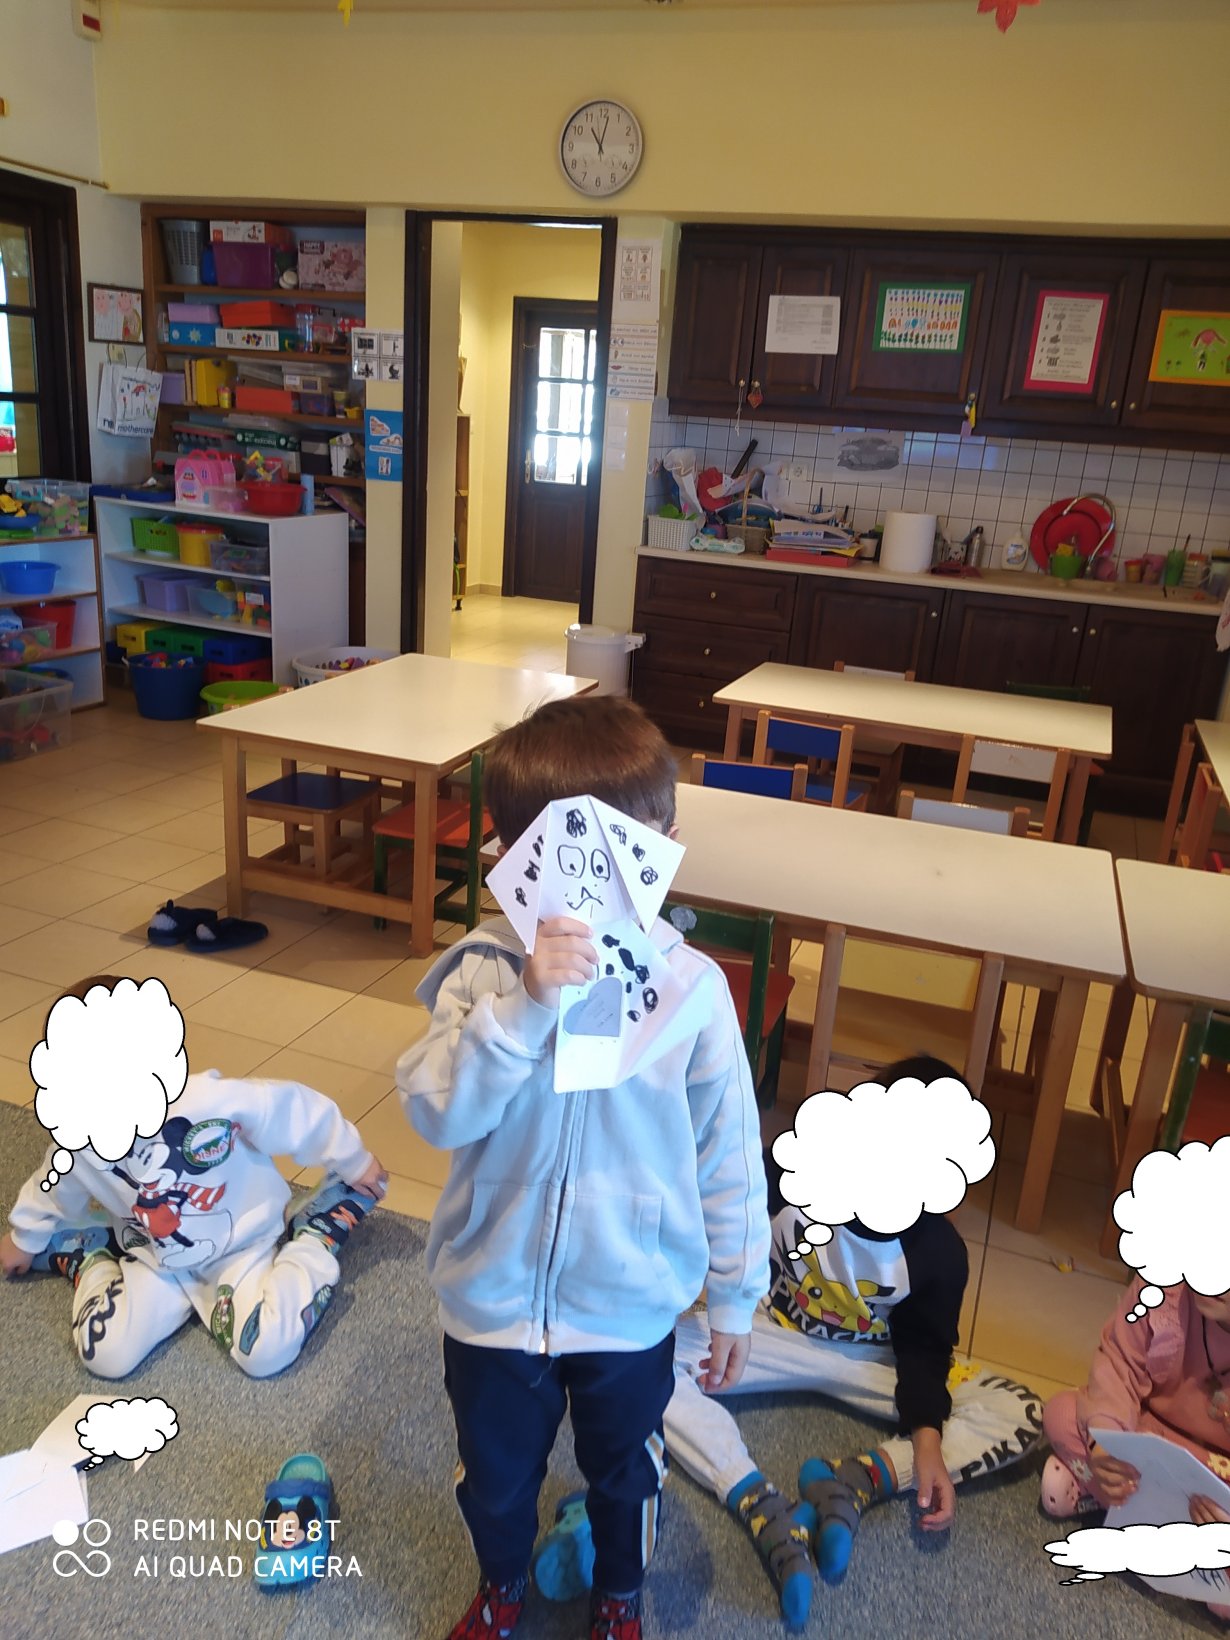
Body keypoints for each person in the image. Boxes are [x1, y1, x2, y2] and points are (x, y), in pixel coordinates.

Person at [395, 695, 769, 1640]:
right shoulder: (483, 974)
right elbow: (435, 1111)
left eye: (626, 854)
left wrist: (736, 1294)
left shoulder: (692, 992)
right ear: (507, 860)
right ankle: (502, 1584)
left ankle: (620, 1594)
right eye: (564, 861)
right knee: (494, 1477)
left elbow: (728, 1150)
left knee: (627, 1474)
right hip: (492, 1300)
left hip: (629, 1303)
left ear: (666, 848)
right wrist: (522, 1009)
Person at [535, 1056, 1045, 1632]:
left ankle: (856, 1480)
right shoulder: (789, 1169)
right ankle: (756, 1498)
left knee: (1020, 1409)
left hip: (873, 1364)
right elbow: (713, 1219)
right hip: (767, 1330)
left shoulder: (938, 1253)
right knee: (634, 1351)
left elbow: (926, 1350)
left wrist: (926, 1442)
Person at [1, 975, 387, 1379]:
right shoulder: (81, 1137)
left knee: (266, 1352)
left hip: (242, 1244)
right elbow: (52, 1185)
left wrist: (353, 1159)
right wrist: (25, 1239)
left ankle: (314, 1234)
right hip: (154, 1258)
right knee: (104, 1356)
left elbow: (293, 1110)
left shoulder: (209, 1101)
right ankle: (89, 1255)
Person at [1041, 1275, 1230, 1622]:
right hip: (1146, 1430)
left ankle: (1117, 1506)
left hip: (1217, 1475)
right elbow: (1118, 1365)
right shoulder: (1164, 1285)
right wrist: (1105, 1444)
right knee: (1062, 1414)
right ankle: (1135, 1511)